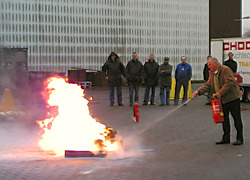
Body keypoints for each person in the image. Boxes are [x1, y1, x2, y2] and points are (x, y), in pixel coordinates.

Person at [193, 57, 244, 145]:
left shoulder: (225, 70)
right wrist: (199, 91)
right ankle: (226, 137)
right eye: (208, 65)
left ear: (216, 63)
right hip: (222, 100)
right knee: (224, 119)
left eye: (210, 65)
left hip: (232, 98)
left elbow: (229, 83)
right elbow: (208, 84)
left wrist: (219, 93)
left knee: (236, 118)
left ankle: (240, 138)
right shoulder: (211, 73)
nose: (209, 67)